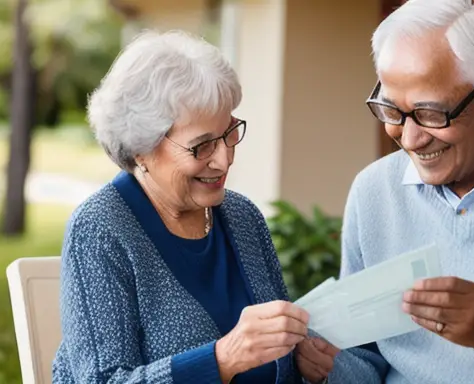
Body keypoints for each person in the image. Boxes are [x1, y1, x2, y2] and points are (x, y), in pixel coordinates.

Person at [296, 0, 474, 383]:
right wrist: (326, 365)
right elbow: (366, 356)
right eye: (393, 111)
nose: (410, 139)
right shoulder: (374, 191)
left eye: (432, 113)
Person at [52, 30, 310, 384]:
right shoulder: (100, 229)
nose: (224, 159)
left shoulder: (242, 217)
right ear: (141, 149)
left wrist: (306, 366)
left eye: (229, 133)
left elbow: (281, 364)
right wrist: (222, 359)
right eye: (201, 146)